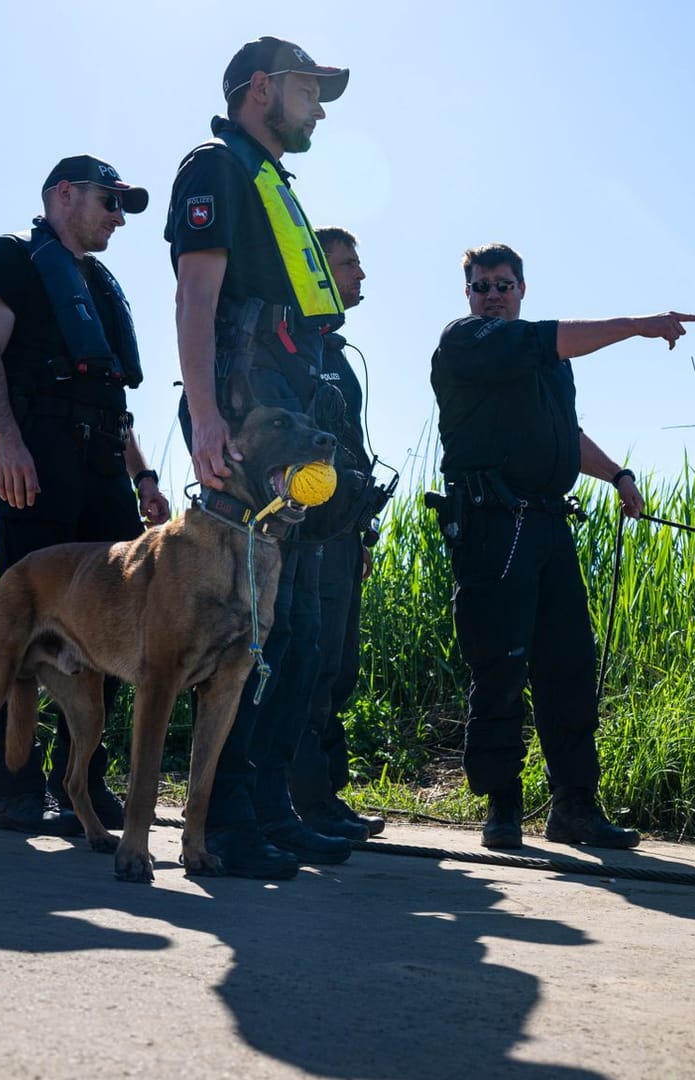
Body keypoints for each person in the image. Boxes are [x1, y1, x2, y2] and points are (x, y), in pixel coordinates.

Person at [428, 243, 695, 850]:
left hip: (550, 527)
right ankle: (502, 809)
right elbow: (546, 340)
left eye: (504, 284)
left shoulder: (551, 364)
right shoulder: (466, 342)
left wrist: (617, 476)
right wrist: (637, 326)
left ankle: (575, 809)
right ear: (468, 295)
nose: (493, 294)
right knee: (500, 665)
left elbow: (564, 433)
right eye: (482, 285)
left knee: (571, 667)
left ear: (523, 289)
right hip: (493, 526)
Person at [164, 36, 353, 879]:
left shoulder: (273, 179)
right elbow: (197, 296)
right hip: (244, 432)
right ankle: (223, 819)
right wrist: (206, 419)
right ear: (263, 89)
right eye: (311, 90)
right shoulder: (216, 168)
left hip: (291, 433)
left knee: (299, 635)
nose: (319, 107)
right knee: (249, 631)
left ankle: (269, 805)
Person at [0, 154, 171, 835]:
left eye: (122, 205)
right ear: (62, 196)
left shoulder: (100, 285)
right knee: (23, 632)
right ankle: (11, 789)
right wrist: (7, 441)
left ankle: (78, 778)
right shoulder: (14, 259)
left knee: (112, 626)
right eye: (108, 201)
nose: (117, 216)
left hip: (104, 473)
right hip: (39, 465)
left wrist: (142, 478)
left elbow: (113, 399)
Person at [288, 226, 389, 842]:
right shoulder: (294, 348)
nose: (359, 275)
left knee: (340, 667)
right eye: (347, 264)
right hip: (308, 535)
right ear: (315, 271)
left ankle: (326, 795)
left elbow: (350, 447)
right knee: (314, 664)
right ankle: (307, 803)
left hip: (345, 534)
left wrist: (364, 534)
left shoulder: (337, 354)